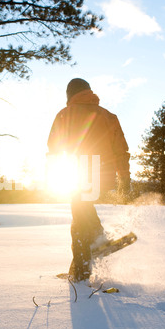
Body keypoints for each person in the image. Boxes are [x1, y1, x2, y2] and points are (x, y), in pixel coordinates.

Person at [47, 78, 130, 281]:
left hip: (80, 169)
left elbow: (54, 147)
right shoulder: (108, 115)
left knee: (79, 219)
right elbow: (121, 151)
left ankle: (82, 271)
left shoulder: (65, 114)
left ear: (70, 94)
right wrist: (124, 179)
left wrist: (54, 173)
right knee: (82, 212)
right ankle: (96, 244)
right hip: (102, 173)